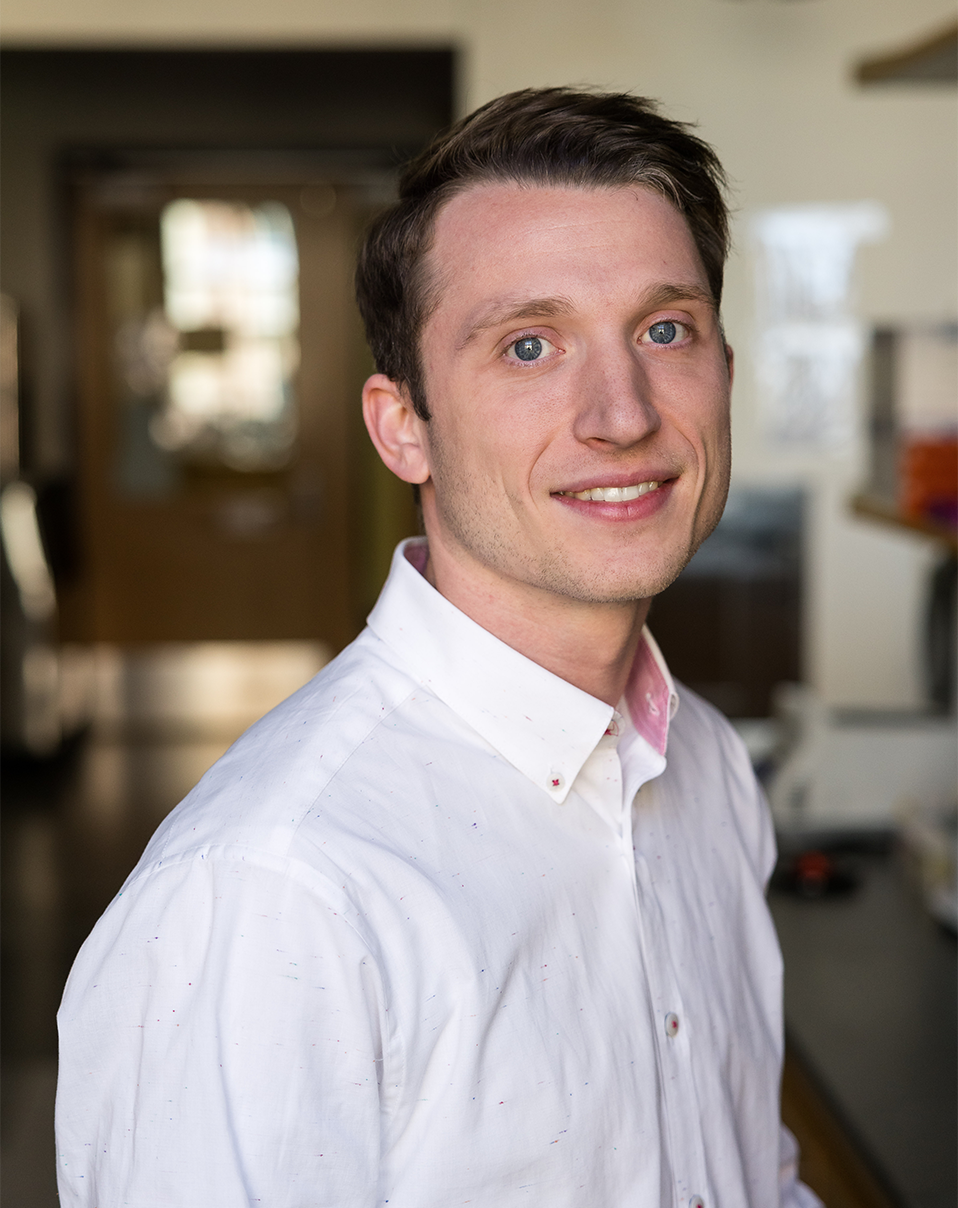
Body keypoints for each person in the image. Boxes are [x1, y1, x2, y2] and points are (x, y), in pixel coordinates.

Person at [56, 88, 819, 1207]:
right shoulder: (273, 892)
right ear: (402, 426)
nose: (622, 413)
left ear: (726, 374)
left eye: (666, 330)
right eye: (528, 346)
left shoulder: (705, 766)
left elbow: (755, 1177)